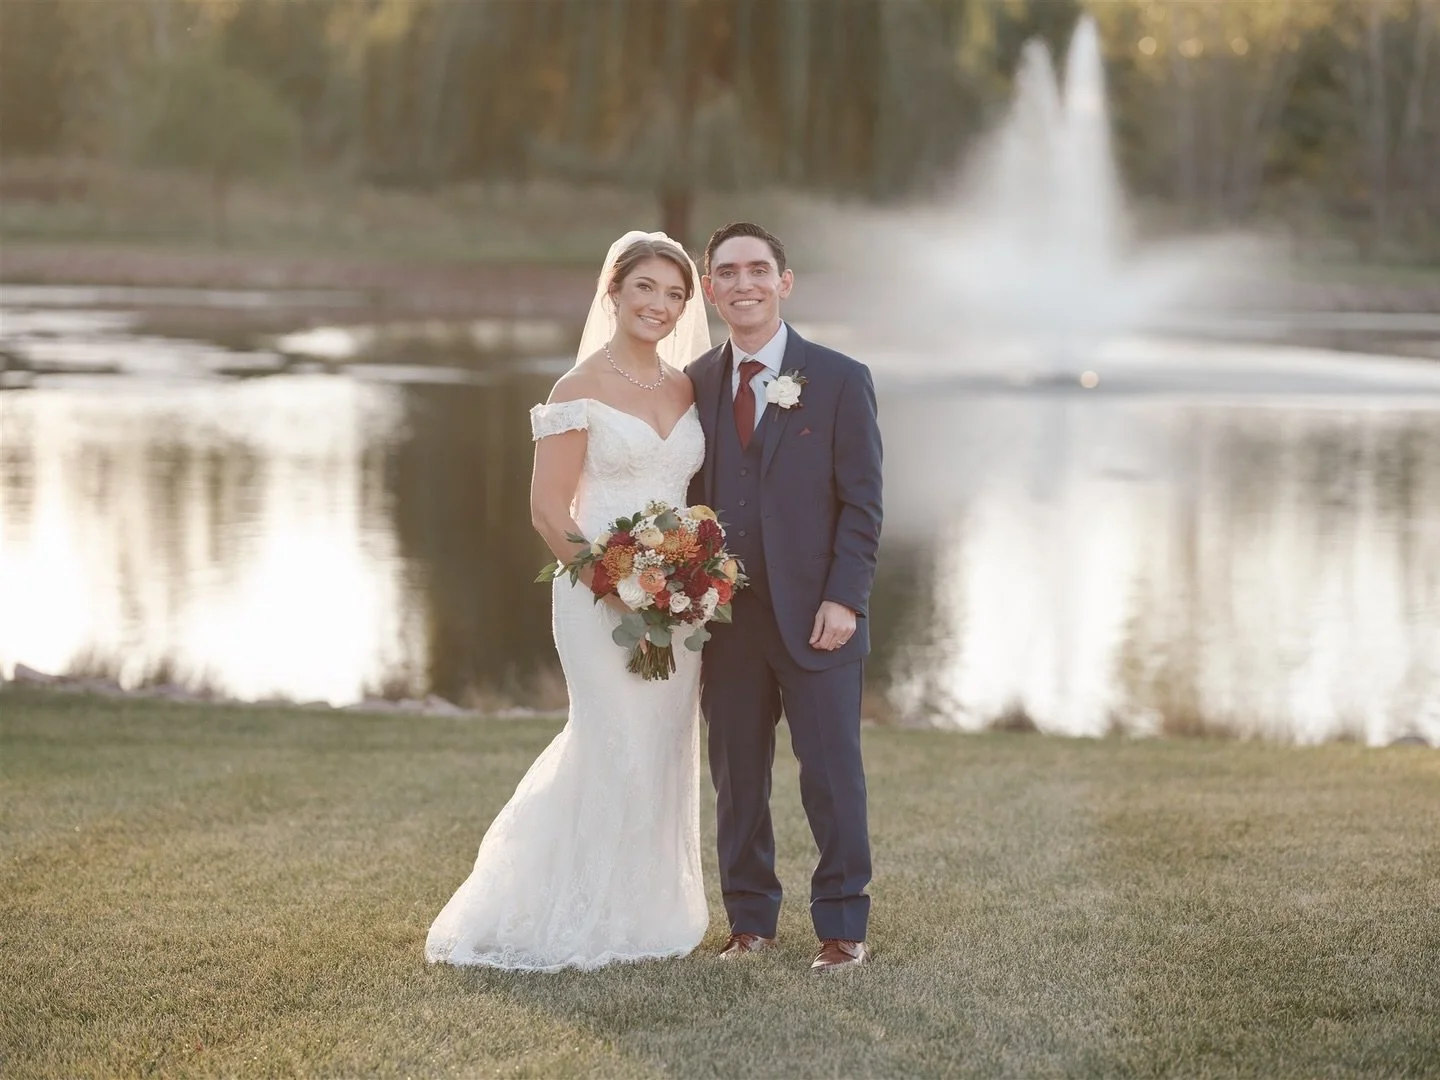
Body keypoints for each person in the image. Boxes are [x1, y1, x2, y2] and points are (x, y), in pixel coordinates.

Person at [424, 232, 713, 971]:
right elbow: (549, 513)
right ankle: (575, 914)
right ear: (613, 291)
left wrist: (683, 583)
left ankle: (646, 914)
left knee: (662, 748)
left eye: (675, 294)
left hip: (677, 607)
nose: (660, 305)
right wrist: (618, 588)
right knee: (610, 739)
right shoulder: (575, 391)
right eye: (645, 287)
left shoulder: (687, 389)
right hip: (595, 602)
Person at [685, 222, 883, 972]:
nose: (744, 284)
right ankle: (750, 924)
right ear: (711, 289)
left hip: (818, 615)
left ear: (784, 281)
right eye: (728, 272)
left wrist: (846, 598)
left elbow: (862, 504)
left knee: (831, 775)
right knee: (737, 778)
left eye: (757, 270)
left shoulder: (838, 377)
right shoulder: (696, 382)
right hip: (727, 619)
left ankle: (841, 929)